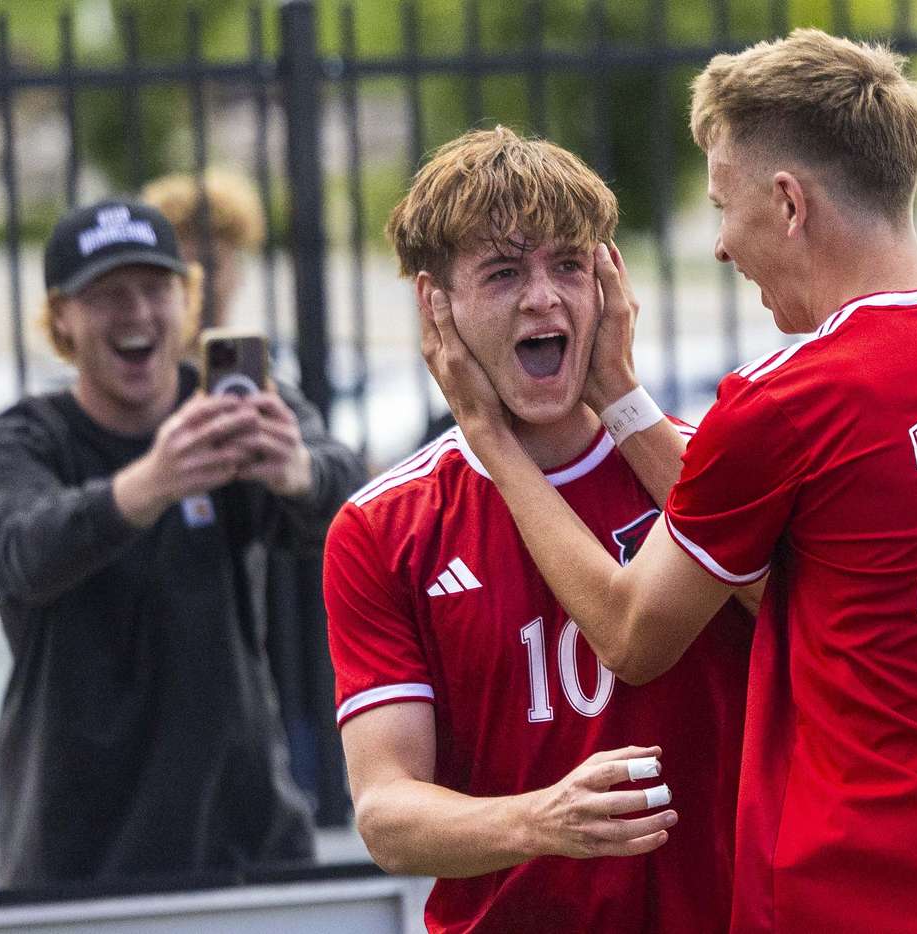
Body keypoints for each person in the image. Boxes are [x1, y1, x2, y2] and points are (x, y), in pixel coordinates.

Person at [421, 30, 917, 934]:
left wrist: (489, 439)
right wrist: (621, 396)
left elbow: (630, 633)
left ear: (787, 204)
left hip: (870, 899)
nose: (720, 248)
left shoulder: (793, 396)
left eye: (723, 205)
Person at [323, 127, 755, 933]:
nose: (543, 298)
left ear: (609, 285)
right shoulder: (382, 527)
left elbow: (801, 611)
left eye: (568, 265)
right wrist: (543, 821)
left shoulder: (701, 462)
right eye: (503, 272)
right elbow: (386, 812)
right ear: (435, 304)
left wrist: (625, 398)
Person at [0, 198, 363, 887]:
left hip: (249, 841)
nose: (137, 313)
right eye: (108, 295)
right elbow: (22, 553)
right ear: (61, 316)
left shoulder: (243, 409)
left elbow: (354, 512)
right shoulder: (19, 440)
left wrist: (298, 475)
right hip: (75, 858)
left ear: (188, 300)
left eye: (156, 289)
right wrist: (151, 482)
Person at [143, 167, 359, 825]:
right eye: (187, 264)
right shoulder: (116, 389)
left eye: (220, 262)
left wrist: (295, 472)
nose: (208, 283)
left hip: (260, 664)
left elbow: (344, 482)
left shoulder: (251, 385)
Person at [141, 167, 265, 330]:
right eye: (181, 269)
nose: (196, 280)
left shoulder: (272, 353)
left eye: (210, 266)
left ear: (238, 275)